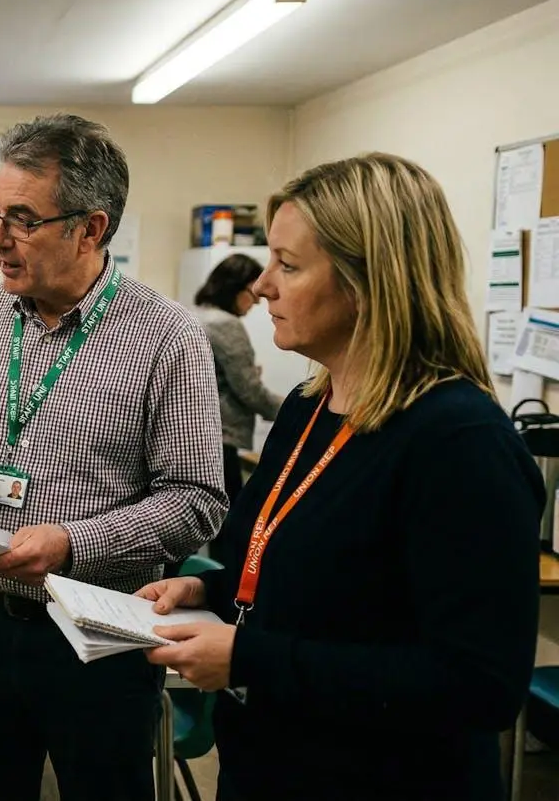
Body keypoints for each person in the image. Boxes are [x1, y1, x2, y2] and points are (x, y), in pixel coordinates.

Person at [140, 153, 542, 801]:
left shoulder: (460, 443)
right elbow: (308, 590)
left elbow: (479, 684)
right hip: (271, 765)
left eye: (288, 266)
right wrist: (205, 594)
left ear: (369, 282)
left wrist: (248, 659)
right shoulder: (306, 408)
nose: (263, 285)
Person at [0, 113, 227, 800]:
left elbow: (196, 501)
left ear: (90, 229)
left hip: (97, 633)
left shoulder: (167, 338)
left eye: (23, 219)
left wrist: (71, 543)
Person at [192, 253, 285, 549]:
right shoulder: (226, 324)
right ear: (234, 288)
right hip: (221, 439)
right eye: (251, 290)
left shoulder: (197, 314)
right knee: (230, 533)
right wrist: (299, 410)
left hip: (197, 436)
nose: (257, 300)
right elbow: (250, 391)